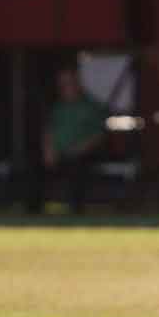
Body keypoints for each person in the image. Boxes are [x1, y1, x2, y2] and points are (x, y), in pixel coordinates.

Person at [31, 66, 109, 215]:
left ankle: (76, 210)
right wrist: (48, 150)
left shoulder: (92, 106)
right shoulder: (57, 107)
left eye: (68, 82)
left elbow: (99, 135)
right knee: (35, 165)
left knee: (78, 167)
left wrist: (80, 149)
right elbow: (48, 129)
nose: (65, 86)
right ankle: (34, 210)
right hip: (57, 153)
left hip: (82, 154)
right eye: (62, 83)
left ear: (77, 83)